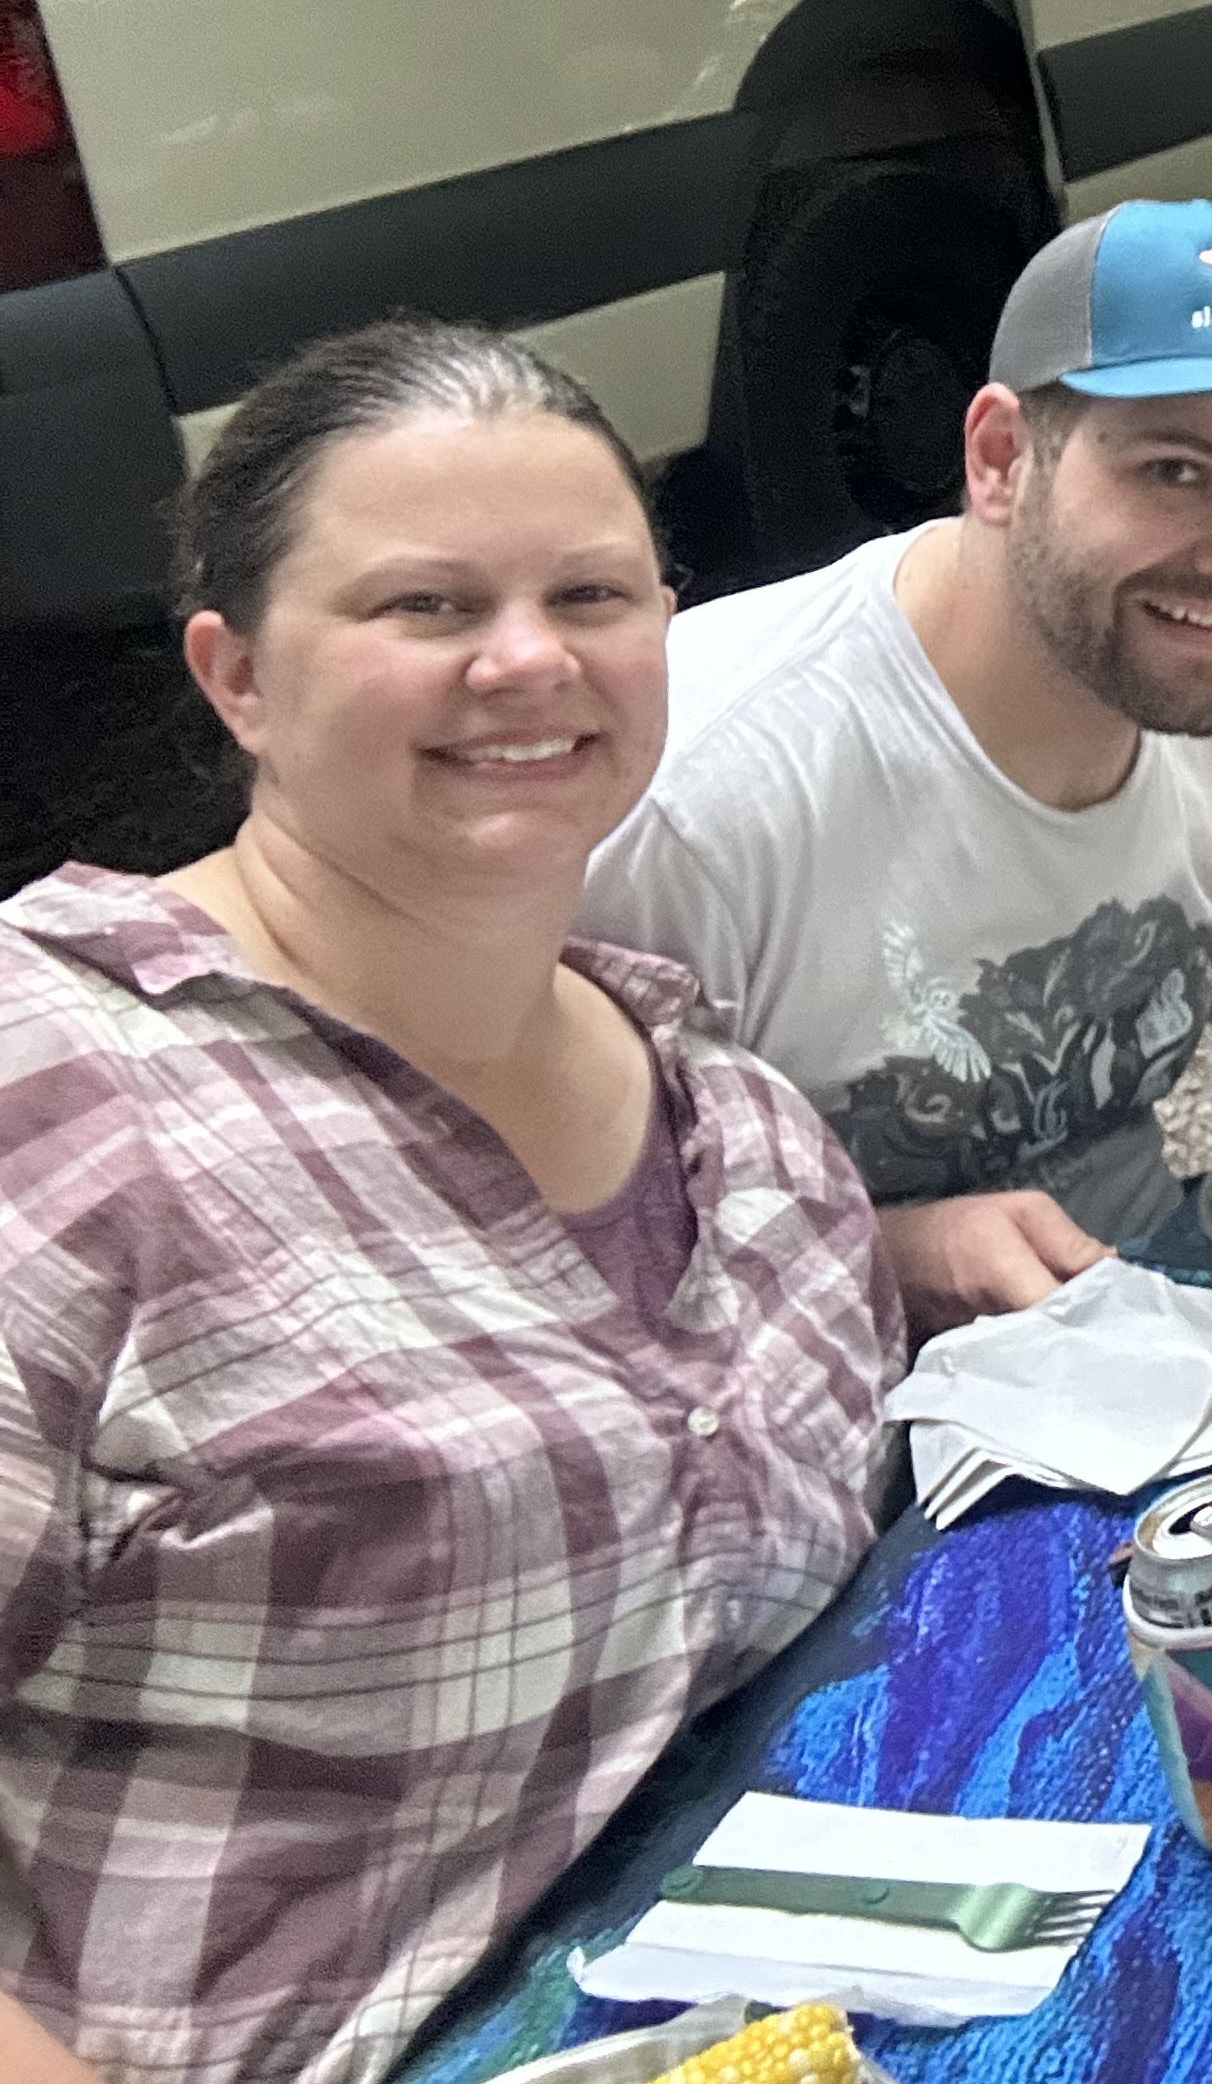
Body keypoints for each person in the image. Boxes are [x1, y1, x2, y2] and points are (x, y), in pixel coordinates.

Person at [0, 324, 898, 2084]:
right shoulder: (61, 1102)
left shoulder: (749, 1128)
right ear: (237, 674)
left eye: (591, 591)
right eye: (424, 605)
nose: (525, 658)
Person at [584, 201, 1212, 1336]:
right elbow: (531, 1237)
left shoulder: (1190, 668)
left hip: (1148, 1309)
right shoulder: (697, 797)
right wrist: (890, 1250)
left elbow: (1109, 998)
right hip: (836, 1440)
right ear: (1001, 457)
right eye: (1176, 471)